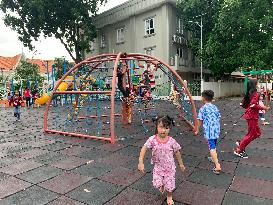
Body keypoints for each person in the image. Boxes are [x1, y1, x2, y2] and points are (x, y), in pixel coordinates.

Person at [138, 115, 186, 205]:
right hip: (158, 167)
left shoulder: (172, 141)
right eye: (161, 127)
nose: (163, 130)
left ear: (169, 129)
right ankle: (161, 184)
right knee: (157, 183)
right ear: (157, 127)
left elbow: (177, 152)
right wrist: (141, 162)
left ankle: (169, 196)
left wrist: (181, 164)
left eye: (166, 128)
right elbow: (144, 148)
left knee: (169, 185)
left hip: (169, 168)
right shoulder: (152, 139)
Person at [234, 79, 270, 158]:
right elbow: (253, 105)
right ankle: (239, 150)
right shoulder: (255, 94)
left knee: (257, 133)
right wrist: (264, 108)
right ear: (255, 85)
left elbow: (243, 104)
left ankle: (242, 143)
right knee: (251, 134)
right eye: (258, 83)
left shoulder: (250, 93)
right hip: (252, 116)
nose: (259, 84)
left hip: (252, 115)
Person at [195, 90, 221, 174]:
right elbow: (218, 117)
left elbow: (200, 120)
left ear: (203, 98)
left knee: (211, 147)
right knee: (214, 143)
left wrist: (197, 129)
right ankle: (213, 158)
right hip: (216, 128)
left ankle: (217, 166)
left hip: (209, 131)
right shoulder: (215, 107)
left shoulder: (203, 109)